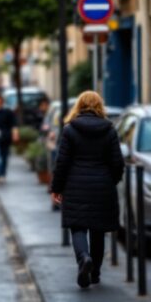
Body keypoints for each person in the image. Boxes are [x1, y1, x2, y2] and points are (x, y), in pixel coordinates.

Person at [50, 91, 124, 289]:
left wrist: (56, 188)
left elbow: (62, 162)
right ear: (100, 106)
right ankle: (95, 273)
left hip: (75, 186)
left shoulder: (70, 130)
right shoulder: (109, 129)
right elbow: (117, 162)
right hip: (102, 186)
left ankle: (83, 258)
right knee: (98, 231)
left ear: (79, 106)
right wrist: (110, 181)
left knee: (78, 227)